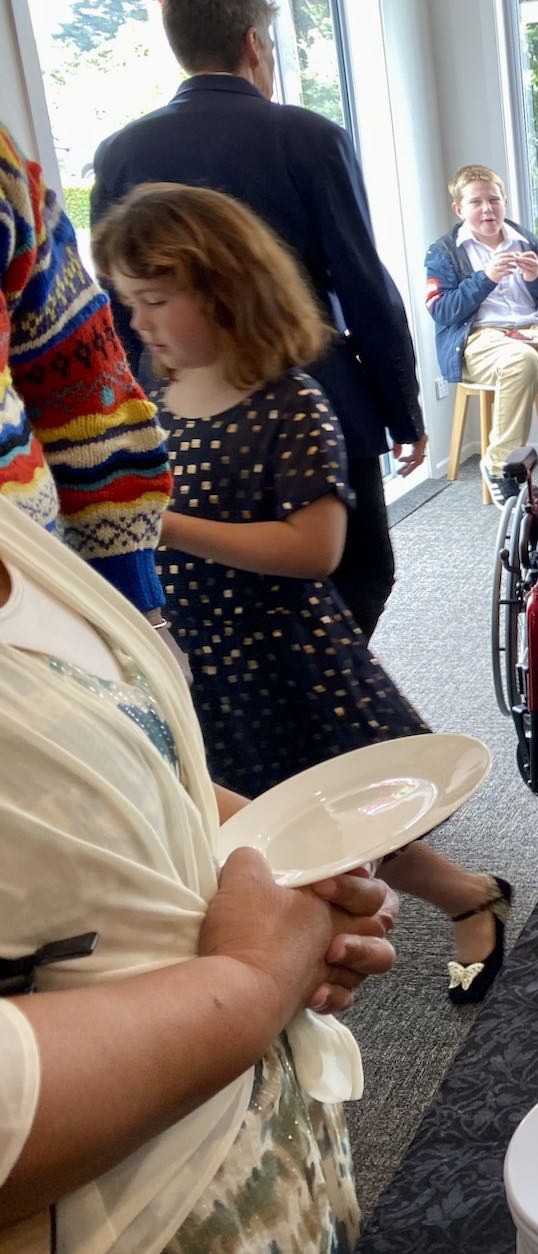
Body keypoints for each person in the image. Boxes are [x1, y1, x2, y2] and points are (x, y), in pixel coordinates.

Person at [93, 182, 513, 1006]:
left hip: (284, 652)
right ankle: (437, 906)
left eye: (153, 301)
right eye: (128, 303)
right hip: (203, 655)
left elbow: (313, 550)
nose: (136, 322)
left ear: (224, 292)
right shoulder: (159, 393)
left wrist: (165, 525)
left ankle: (465, 899)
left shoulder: (291, 404)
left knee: (343, 814)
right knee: (270, 823)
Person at [0, 497, 399, 1249]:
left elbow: (117, 760)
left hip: (247, 1149)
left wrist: (295, 870)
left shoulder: (19, 527)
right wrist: (256, 975)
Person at [91, 0, 426, 638]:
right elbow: (361, 281)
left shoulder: (119, 153)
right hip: (318, 391)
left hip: (186, 413)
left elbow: (122, 314)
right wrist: (401, 409)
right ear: (253, 43)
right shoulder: (309, 136)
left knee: (225, 581)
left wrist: (140, 420)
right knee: (360, 573)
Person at [0, 126, 173, 626]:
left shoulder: (5, 174)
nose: (140, 322)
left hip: (26, 603)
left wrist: (131, 604)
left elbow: (81, 388)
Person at [425, 165, 538, 501]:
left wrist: (536, 278)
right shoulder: (443, 252)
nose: (487, 209)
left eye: (494, 200)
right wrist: (485, 278)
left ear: (505, 201)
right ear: (459, 209)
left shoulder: (526, 239)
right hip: (480, 339)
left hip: (534, 332)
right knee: (521, 362)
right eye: (476, 202)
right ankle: (499, 465)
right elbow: (442, 310)